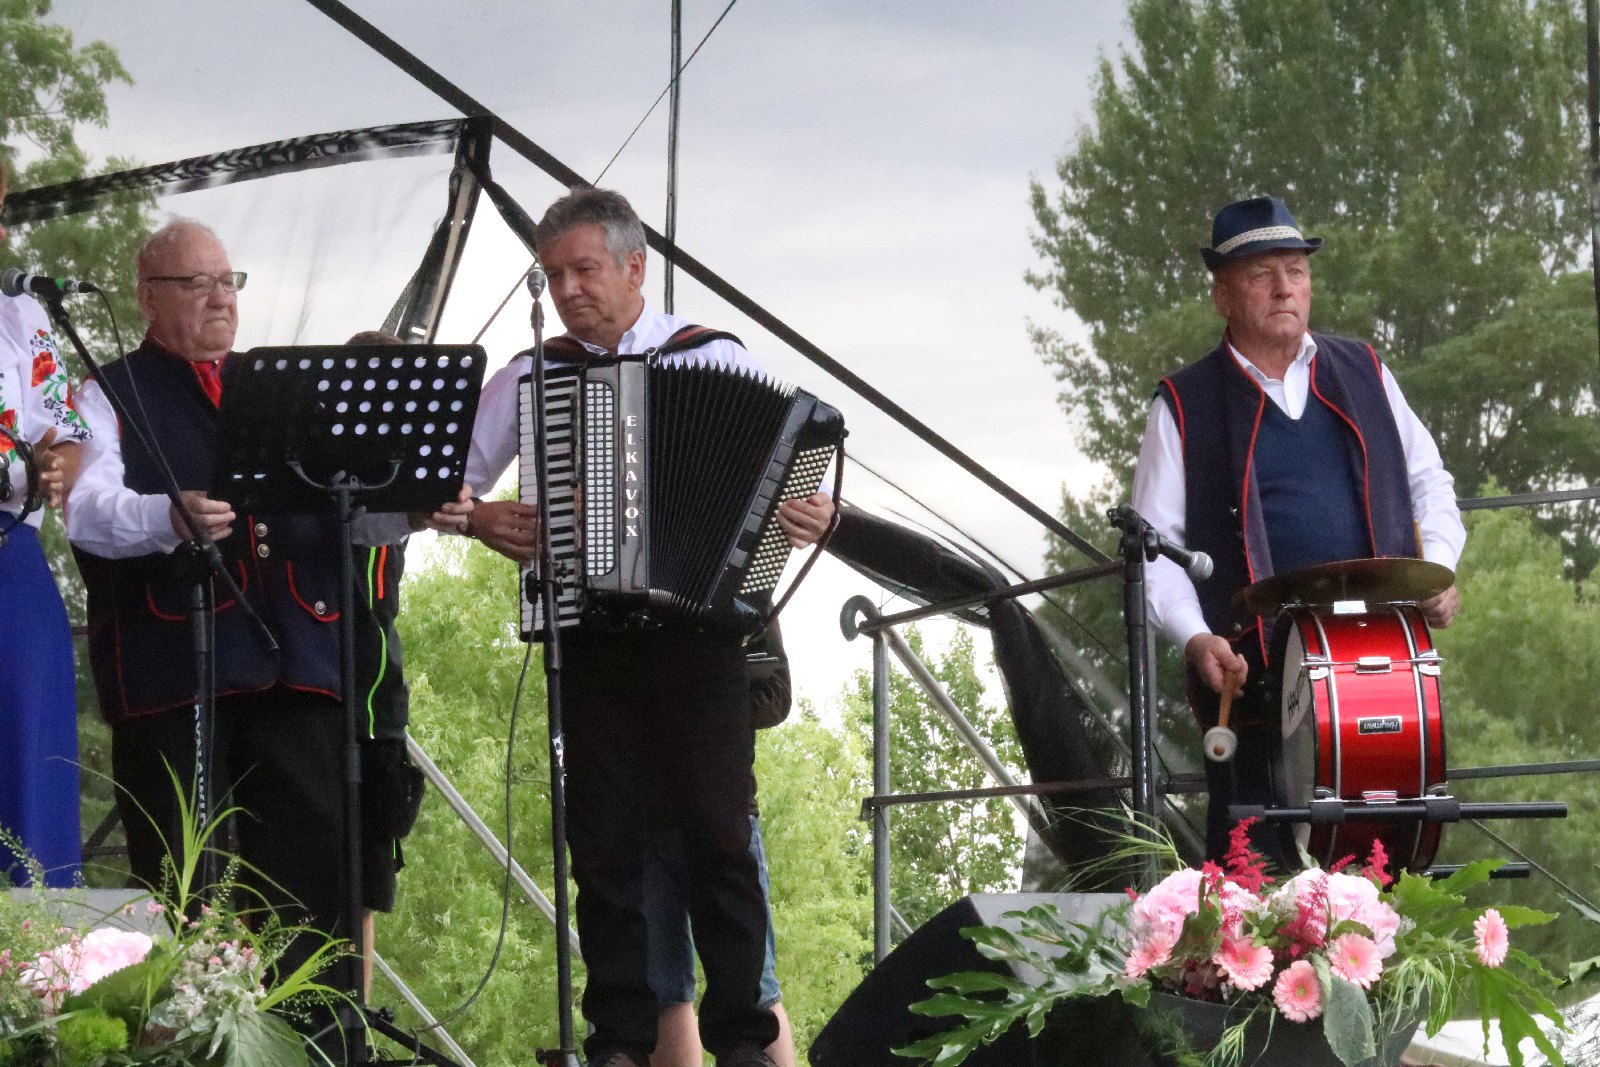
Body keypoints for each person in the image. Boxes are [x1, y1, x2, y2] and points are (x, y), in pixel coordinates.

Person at [462, 187, 832, 1067]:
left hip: (700, 636)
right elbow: (446, 482)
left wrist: (812, 512)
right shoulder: (533, 373)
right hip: (588, 632)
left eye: (584, 269)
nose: (568, 290)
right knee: (602, 841)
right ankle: (619, 1040)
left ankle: (743, 1039)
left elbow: (791, 480)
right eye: (554, 275)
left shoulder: (713, 355)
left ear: (635, 267)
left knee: (720, 834)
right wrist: (479, 518)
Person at [65, 221, 464, 995]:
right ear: (147, 296)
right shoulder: (107, 391)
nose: (221, 297)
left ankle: (320, 1035)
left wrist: (412, 510)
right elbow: (85, 510)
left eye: (229, 281)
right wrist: (165, 514)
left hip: (298, 664)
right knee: (184, 889)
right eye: (197, 283)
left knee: (316, 889)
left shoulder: (280, 386)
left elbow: (345, 510)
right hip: (176, 673)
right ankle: (193, 1037)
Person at [1131, 195, 1465, 862]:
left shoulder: (1366, 371)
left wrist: (1439, 567)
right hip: (1251, 686)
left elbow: (1432, 483)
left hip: (1379, 675)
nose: (1285, 288)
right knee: (1253, 887)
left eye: (1297, 271)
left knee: (1382, 877)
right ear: (1223, 296)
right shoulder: (1183, 405)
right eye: (1262, 275)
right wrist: (1195, 637)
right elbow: (1154, 550)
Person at [0, 159, 92, 887]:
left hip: (10, 551)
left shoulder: (23, 317)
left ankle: (33, 943)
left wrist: (55, 463)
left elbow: (61, 430)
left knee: (31, 754)